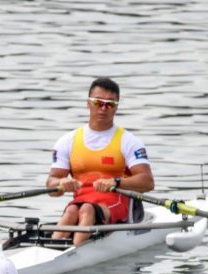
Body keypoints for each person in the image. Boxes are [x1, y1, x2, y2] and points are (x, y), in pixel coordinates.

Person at [47, 77, 155, 247]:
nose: (103, 108)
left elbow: (147, 182)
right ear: (88, 103)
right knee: (71, 210)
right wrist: (61, 183)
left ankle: (75, 251)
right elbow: (51, 187)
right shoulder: (67, 141)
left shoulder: (129, 141)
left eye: (110, 104)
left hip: (116, 201)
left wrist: (116, 181)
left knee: (87, 209)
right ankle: (54, 247)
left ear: (116, 107)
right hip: (81, 200)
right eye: (98, 102)